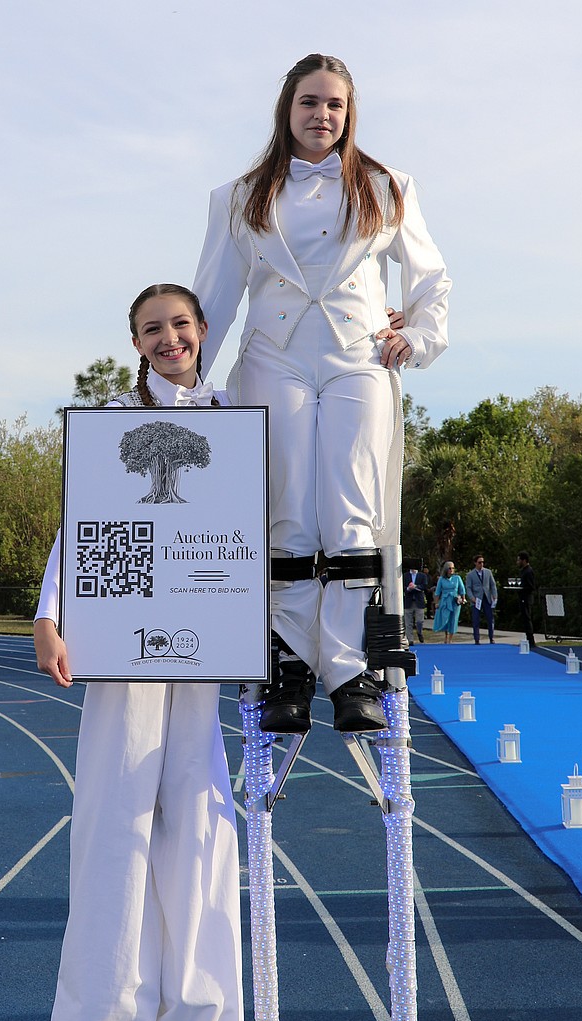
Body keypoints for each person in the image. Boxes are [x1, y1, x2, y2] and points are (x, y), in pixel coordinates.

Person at [33, 284, 245, 1021]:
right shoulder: (112, 424)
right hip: (123, 661)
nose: (170, 338)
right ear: (134, 340)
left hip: (202, 659)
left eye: (183, 324)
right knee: (113, 865)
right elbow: (80, 531)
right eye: (153, 327)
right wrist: (49, 614)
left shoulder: (237, 421)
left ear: (203, 334)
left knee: (198, 871)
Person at [193, 52, 451, 736]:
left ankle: (347, 670)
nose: (322, 115)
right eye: (310, 102)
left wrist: (418, 336)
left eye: (334, 104)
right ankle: (288, 664)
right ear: (288, 108)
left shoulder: (386, 184)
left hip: (357, 359)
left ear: (349, 111)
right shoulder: (237, 195)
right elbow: (213, 299)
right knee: (285, 513)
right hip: (271, 359)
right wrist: (186, 388)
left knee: (352, 509)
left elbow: (429, 279)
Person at [464, 554, 498, 644]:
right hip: (477, 599)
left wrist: (495, 595)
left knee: (490, 618)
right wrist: (472, 598)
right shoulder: (470, 575)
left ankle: (491, 637)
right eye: (479, 562)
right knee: (476, 619)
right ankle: (477, 639)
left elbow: (492, 585)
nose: (481, 564)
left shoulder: (488, 572)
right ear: (475, 563)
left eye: (482, 562)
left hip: (487, 598)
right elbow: (468, 588)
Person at [432, 561, 466, 643]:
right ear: (446, 569)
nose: (451, 570)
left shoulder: (457, 578)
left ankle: (450, 638)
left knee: (453, 619)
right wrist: (436, 603)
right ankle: (446, 636)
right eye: (449, 568)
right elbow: (437, 592)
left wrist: (463, 599)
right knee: (445, 618)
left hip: (455, 600)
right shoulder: (441, 579)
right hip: (445, 600)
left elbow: (462, 589)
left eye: (453, 568)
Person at [403, 562, 430, 644]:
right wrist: (408, 588)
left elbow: (425, 586)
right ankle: (410, 639)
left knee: (419, 621)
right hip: (409, 601)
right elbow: (402, 586)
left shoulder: (422, 576)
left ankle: (419, 632)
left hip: (419, 601)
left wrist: (416, 587)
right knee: (408, 622)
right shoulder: (405, 575)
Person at [517, 550, 536, 647]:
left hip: (526, 598)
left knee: (527, 618)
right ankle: (528, 639)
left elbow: (531, 586)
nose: (517, 562)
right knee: (524, 619)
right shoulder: (523, 571)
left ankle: (531, 641)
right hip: (523, 597)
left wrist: (522, 589)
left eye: (519, 560)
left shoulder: (529, 571)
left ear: (524, 560)